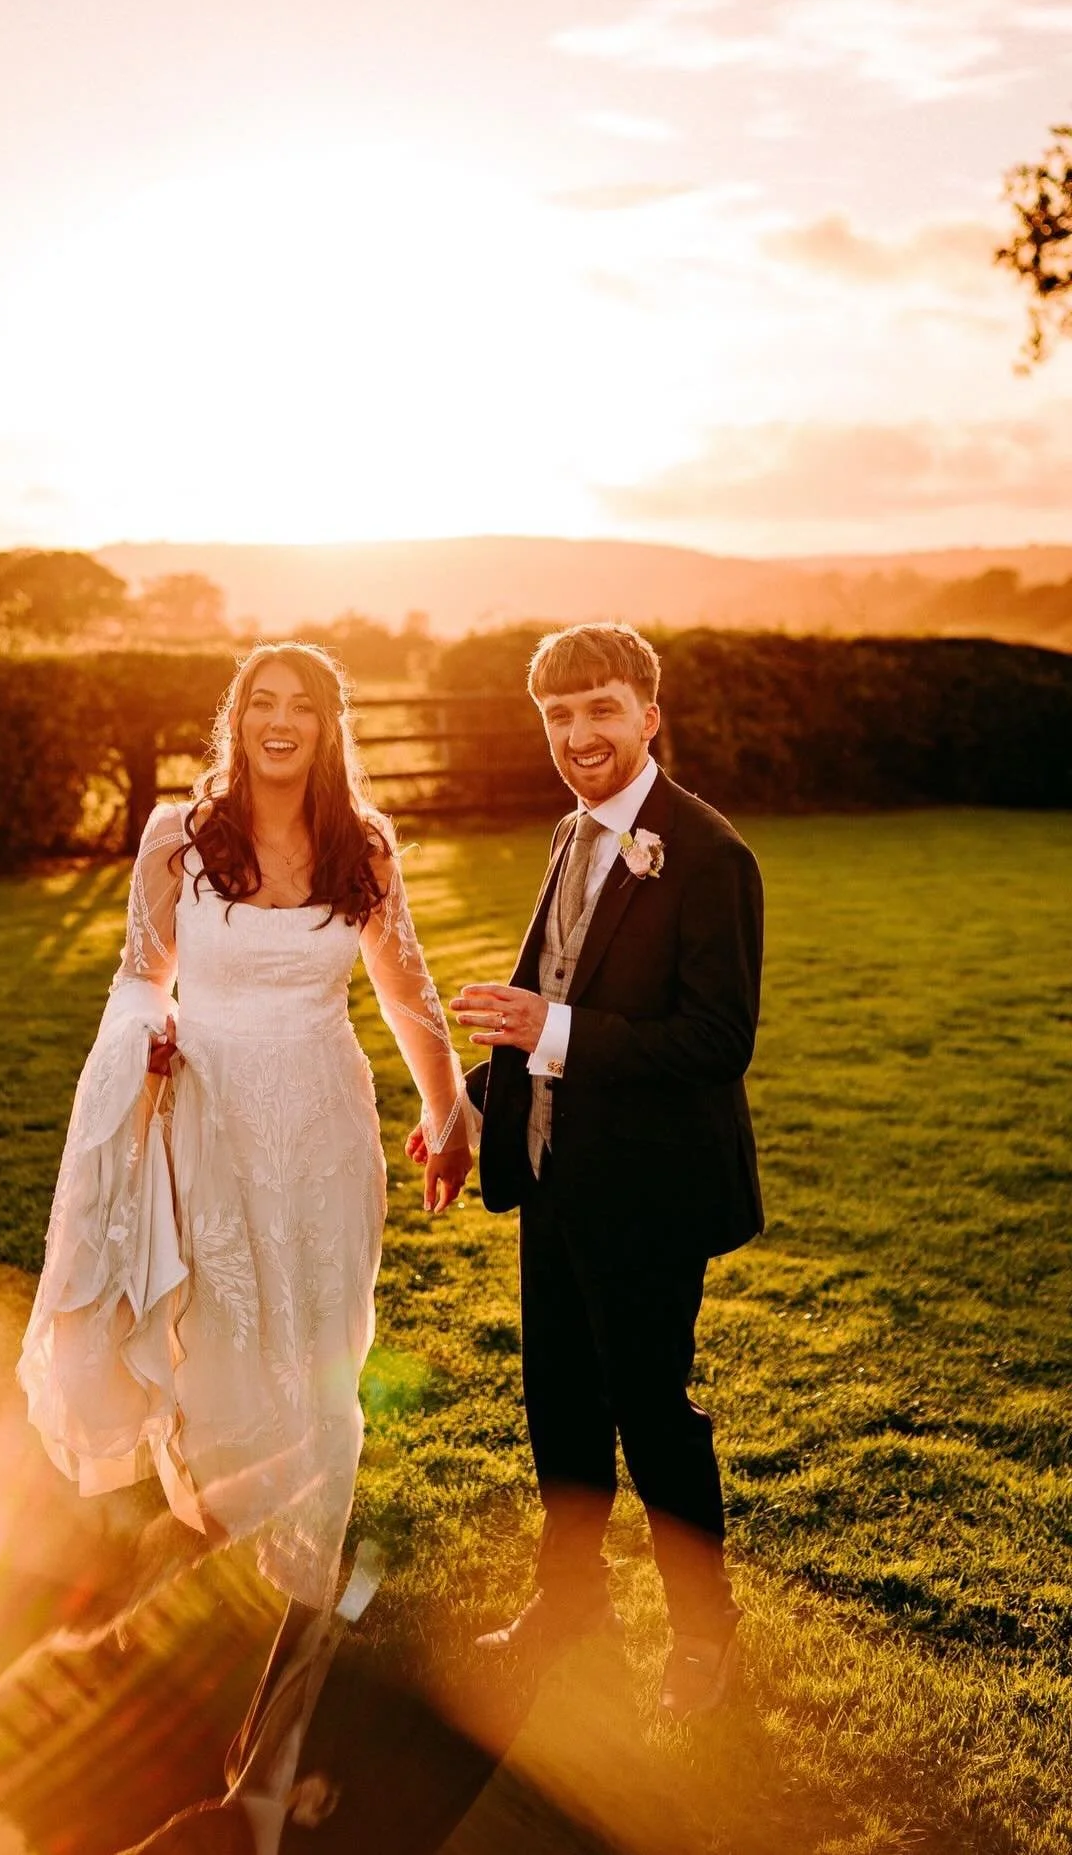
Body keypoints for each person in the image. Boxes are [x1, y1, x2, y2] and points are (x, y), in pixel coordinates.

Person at [17, 641, 473, 1805]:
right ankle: (198, 1537)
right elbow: (138, 976)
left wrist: (449, 1104)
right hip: (208, 1126)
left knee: (324, 1360)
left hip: (324, 1131)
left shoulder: (364, 845)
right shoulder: (178, 834)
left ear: (329, 726)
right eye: (260, 704)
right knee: (218, 1345)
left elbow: (404, 985)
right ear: (236, 719)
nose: (280, 723)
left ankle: (302, 1606)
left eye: (302, 708)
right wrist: (145, 1042)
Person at [418, 621, 763, 1721]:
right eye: (559, 716)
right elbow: (537, 991)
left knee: (652, 1414)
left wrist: (554, 1027)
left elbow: (719, 1039)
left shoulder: (708, 853)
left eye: (601, 709)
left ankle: (704, 1635)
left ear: (649, 716)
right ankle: (570, 1600)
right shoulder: (571, 836)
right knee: (558, 1407)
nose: (579, 735)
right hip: (552, 1177)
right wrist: (471, 1109)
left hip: (651, 1193)